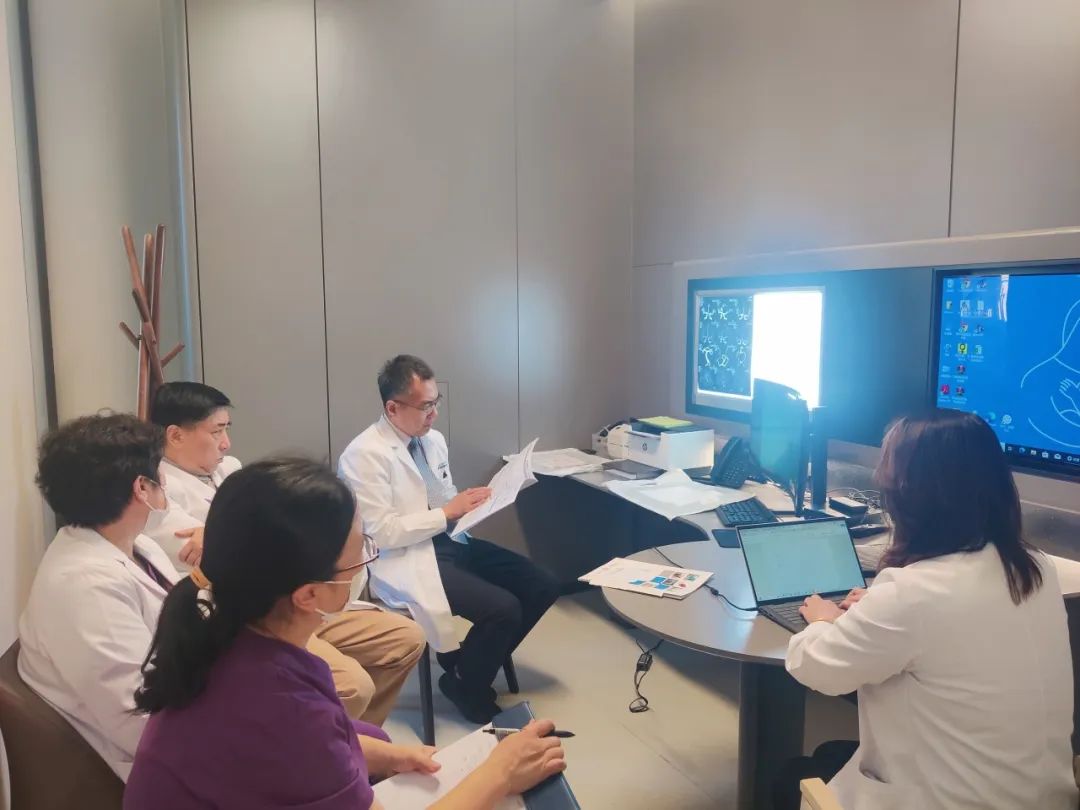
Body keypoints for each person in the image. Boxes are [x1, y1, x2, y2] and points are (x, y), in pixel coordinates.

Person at [124, 458, 567, 809]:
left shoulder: (229, 635)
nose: (363, 564)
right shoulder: (279, 705)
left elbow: (308, 744)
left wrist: (391, 756)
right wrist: (500, 774)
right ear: (309, 594)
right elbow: (299, 737)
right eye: (360, 553)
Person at [776, 410, 1078, 810]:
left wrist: (824, 621)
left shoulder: (911, 594)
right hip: (1043, 797)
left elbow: (818, 670)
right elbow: (955, 624)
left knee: (790, 776)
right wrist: (880, 608)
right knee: (832, 752)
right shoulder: (1035, 567)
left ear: (907, 498)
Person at [144, 381, 425, 725]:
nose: (226, 443)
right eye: (216, 432)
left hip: (294, 596)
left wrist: (216, 533)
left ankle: (355, 739)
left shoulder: (228, 468)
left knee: (405, 639)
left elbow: (258, 533)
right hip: (256, 615)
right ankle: (321, 744)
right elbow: (216, 552)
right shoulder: (160, 489)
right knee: (353, 686)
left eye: (227, 429)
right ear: (175, 435)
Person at [338, 355, 560, 723]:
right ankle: (467, 686)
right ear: (392, 408)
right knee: (503, 609)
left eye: (436, 402)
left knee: (543, 585)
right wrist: (446, 512)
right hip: (405, 557)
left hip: (451, 539)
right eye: (425, 406)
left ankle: (464, 668)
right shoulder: (363, 455)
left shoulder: (432, 440)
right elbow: (382, 532)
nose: (434, 414)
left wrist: (474, 503)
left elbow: (442, 493)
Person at [17, 413, 178, 780]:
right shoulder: (84, 586)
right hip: (157, 763)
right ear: (142, 488)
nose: (165, 487)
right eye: (161, 475)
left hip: (190, 705)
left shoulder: (139, 547)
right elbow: (141, 718)